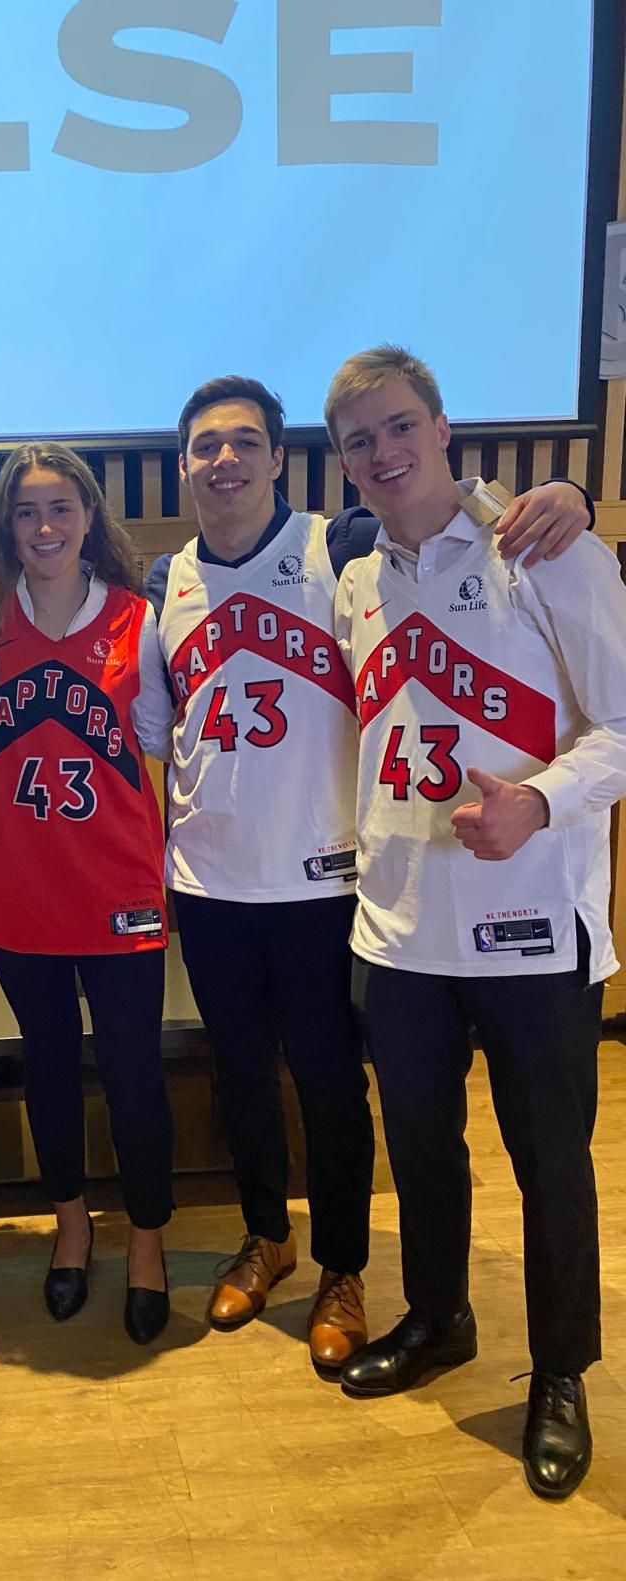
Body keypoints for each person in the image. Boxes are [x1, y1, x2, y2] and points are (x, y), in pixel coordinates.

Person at [135, 375, 591, 1376]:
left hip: (329, 878)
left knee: (335, 1085)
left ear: (282, 457)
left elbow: (455, 514)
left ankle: (344, 1265)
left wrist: (573, 496)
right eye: (206, 444)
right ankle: (269, 1237)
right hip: (213, 880)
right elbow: (152, 732)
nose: (226, 460)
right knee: (244, 1077)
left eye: (246, 441)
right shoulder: (164, 580)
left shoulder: (335, 547)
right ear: (183, 464)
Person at [327, 345, 626, 1501]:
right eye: (360, 440)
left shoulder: (549, 550)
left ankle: (559, 1371)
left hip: (531, 928)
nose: (384, 454)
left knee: (550, 1159)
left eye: (401, 427)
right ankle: (441, 1314)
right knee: (423, 1150)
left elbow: (621, 725)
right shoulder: (357, 574)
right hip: (398, 931)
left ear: (444, 428)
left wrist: (541, 799)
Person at [0, 443, 173, 1343]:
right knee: (45, 1068)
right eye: (27, 512)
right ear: (8, 526)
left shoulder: (137, 619)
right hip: (22, 892)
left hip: (119, 887)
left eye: (61, 509)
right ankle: (71, 1226)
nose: (45, 527)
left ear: (88, 518)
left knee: (133, 1076)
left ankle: (147, 1239)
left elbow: (157, 734)